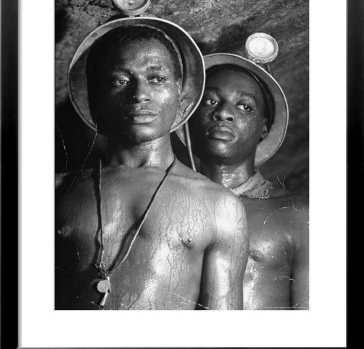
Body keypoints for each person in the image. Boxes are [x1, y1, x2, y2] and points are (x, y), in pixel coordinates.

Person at [55, 19, 248, 310]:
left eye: (156, 79)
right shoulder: (55, 190)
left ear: (181, 97)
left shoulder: (219, 205)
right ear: (97, 100)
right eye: (120, 80)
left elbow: (223, 337)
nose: (139, 94)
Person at [185, 52, 309, 310]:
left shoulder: (297, 215)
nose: (223, 113)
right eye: (210, 101)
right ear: (189, 118)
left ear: (264, 128)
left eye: (245, 106)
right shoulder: (166, 203)